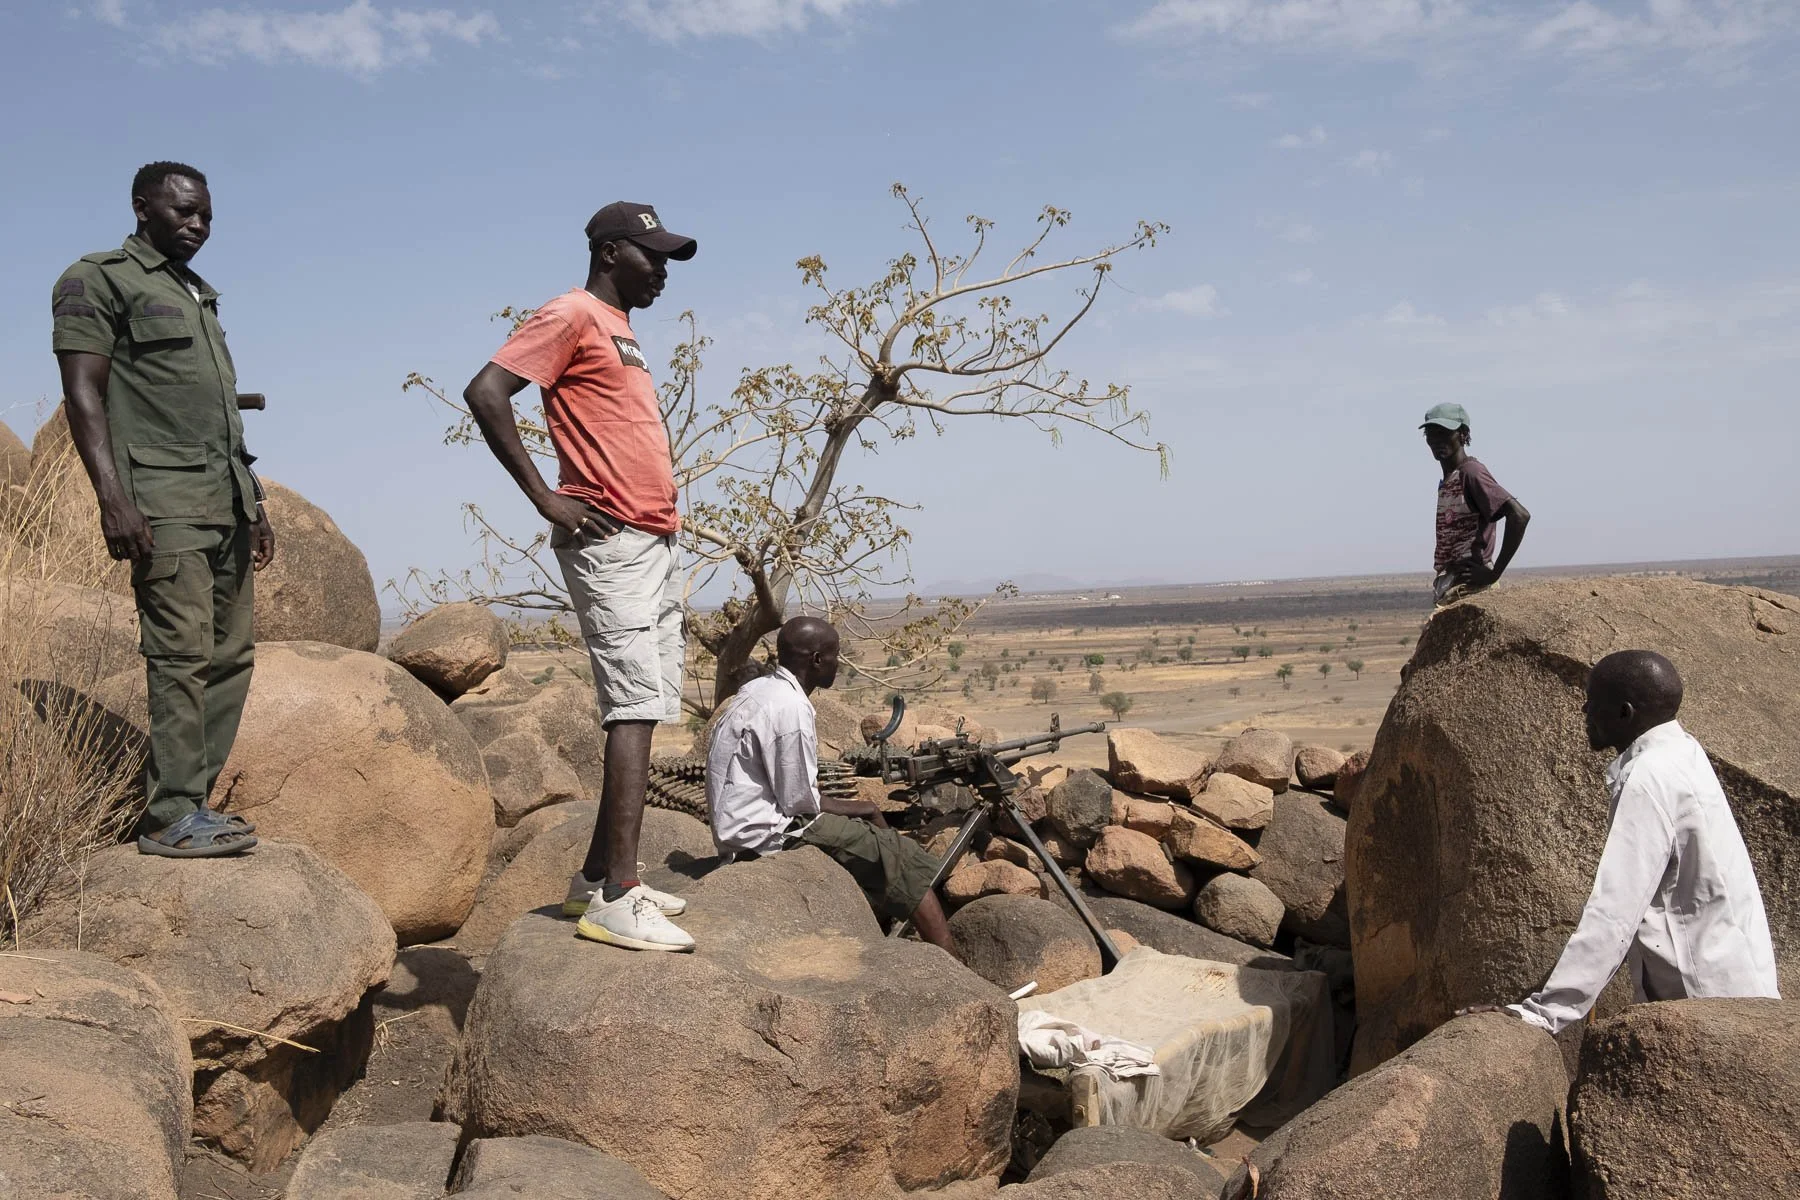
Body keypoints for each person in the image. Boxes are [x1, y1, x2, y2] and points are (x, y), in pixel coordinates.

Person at [463, 201, 697, 952]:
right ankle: (619, 898)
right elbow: (487, 390)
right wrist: (546, 498)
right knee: (630, 707)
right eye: (651, 255)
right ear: (608, 252)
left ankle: (597, 879)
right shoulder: (571, 313)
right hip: (611, 539)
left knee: (650, 700)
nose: (662, 270)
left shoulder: (621, 330)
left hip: (651, 540)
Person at [52, 161, 274, 858]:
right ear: (142, 207)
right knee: (179, 656)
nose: (198, 226)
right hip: (164, 503)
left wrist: (255, 504)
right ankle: (169, 816)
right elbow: (83, 393)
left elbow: (211, 416)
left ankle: (192, 804)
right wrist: (113, 500)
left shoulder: (195, 294)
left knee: (230, 655)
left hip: (224, 501)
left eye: (206, 216)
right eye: (184, 213)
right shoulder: (97, 278)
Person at [1498, 651, 1780, 1034]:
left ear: (1624, 713)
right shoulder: (1684, 752)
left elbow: (1616, 908)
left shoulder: (1648, 778)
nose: (1585, 713)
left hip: (1704, 1002)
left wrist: (1545, 1014)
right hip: (1739, 982)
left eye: (1592, 703)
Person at [706, 617, 956, 953]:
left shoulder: (760, 688)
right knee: (898, 856)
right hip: (768, 831)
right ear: (817, 660)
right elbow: (799, 801)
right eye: (836, 655)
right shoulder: (790, 707)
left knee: (871, 840)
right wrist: (865, 808)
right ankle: (951, 965)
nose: (838, 663)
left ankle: (882, 922)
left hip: (739, 825)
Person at [1420, 402, 1529, 606]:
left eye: (1444, 432)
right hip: (1453, 582)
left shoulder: (1471, 472)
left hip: (1470, 586)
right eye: (1431, 434)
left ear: (1462, 434)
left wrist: (1494, 574)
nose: (1436, 440)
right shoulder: (1450, 479)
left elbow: (1520, 516)